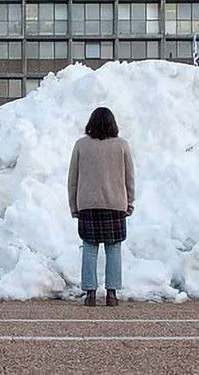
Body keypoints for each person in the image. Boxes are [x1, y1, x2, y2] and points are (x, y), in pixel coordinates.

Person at [68, 106, 135, 307]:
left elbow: (73, 178)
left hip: (87, 204)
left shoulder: (81, 145)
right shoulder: (122, 145)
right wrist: (129, 202)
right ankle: (112, 294)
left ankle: (90, 293)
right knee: (113, 248)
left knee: (89, 247)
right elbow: (129, 178)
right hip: (115, 204)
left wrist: (74, 205)